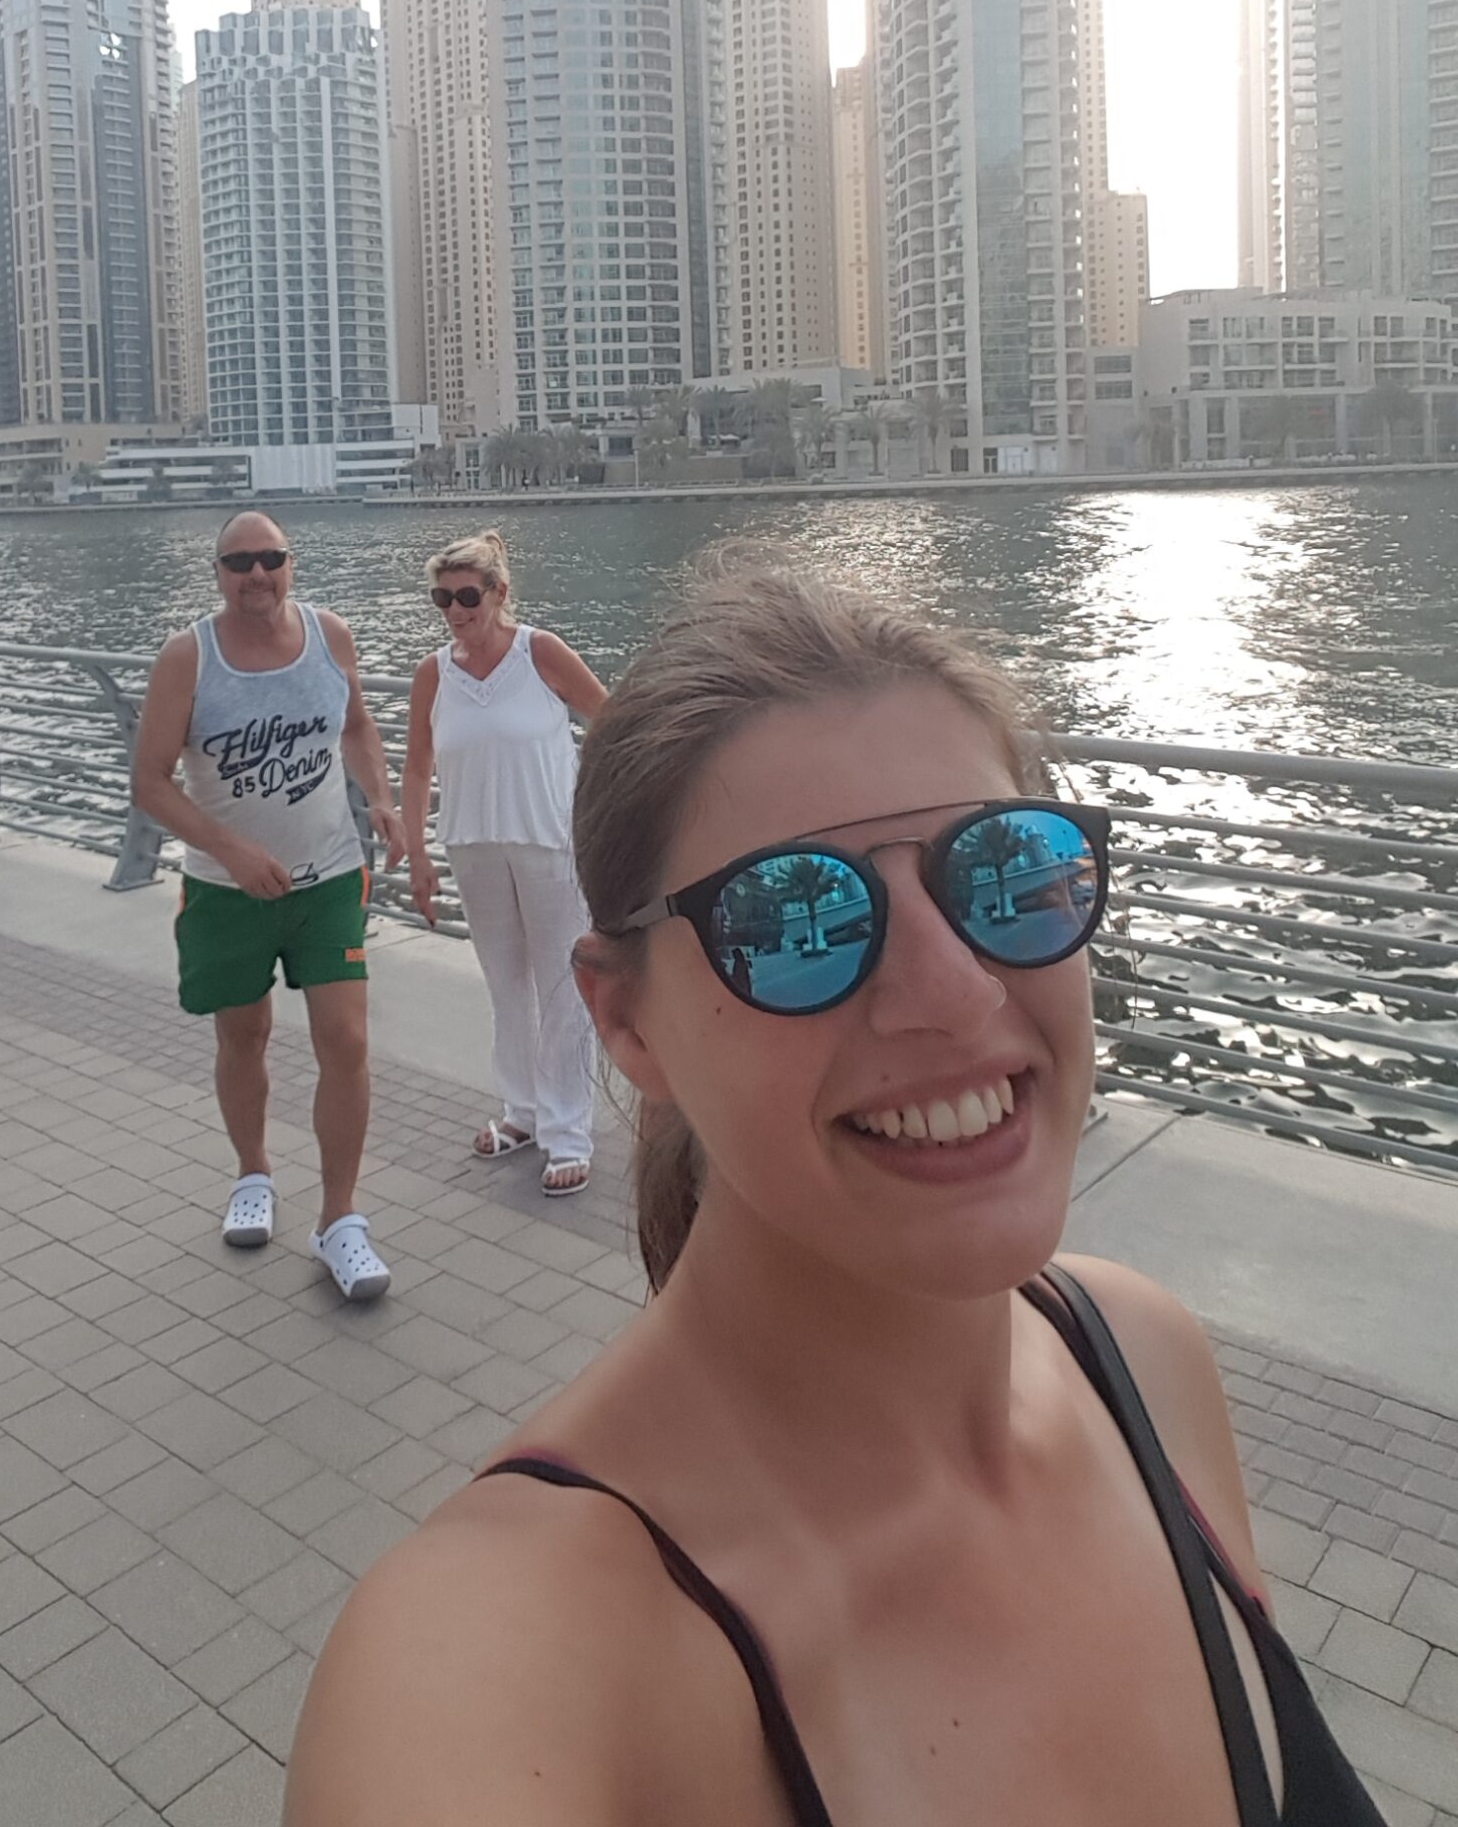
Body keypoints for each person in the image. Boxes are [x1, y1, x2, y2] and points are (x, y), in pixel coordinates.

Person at [288, 557, 1382, 1823]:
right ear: (627, 1021)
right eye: (795, 919)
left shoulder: (1143, 1357)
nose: (956, 994)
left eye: (1004, 872)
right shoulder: (509, 1656)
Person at [132, 511, 406, 1302]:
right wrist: (232, 851)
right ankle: (253, 1172)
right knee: (243, 1034)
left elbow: (357, 726)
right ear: (218, 573)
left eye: (271, 558)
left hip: (329, 878)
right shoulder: (189, 657)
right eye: (239, 562)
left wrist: (380, 797)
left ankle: (340, 1219)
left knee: (346, 1041)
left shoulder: (330, 636)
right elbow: (149, 781)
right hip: (228, 890)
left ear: (291, 564)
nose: (257, 574)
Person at [399, 532, 608, 1197]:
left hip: (550, 842)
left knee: (563, 986)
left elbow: (610, 722)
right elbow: (417, 766)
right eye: (443, 599)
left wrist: (604, 810)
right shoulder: (434, 673)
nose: (456, 611)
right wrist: (417, 854)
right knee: (505, 986)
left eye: (467, 595)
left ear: (499, 592)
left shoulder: (539, 652)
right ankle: (523, 1111)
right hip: (474, 846)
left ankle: (568, 1130)